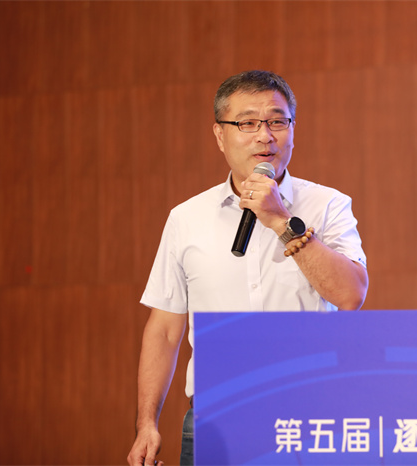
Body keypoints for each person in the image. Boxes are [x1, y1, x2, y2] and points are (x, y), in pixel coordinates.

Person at [127, 70, 368, 466]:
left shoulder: (328, 205)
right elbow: (165, 330)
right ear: (220, 135)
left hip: (310, 416)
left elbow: (350, 294)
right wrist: (146, 423)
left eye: (277, 121)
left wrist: (279, 220)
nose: (265, 136)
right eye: (248, 123)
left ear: (293, 130)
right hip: (216, 419)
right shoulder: (187, 218)